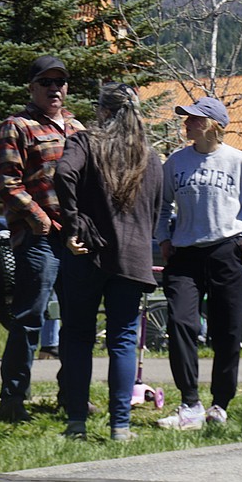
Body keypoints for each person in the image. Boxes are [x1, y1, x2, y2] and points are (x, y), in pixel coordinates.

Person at [154, 96, 242, 430]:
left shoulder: (238, 161)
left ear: (212, 125)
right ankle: (190, 404)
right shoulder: (175, 162)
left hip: (228, 253)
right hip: (184, 256)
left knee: (226, 331)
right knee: (181, 323)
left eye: (193, 119)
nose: (186, 123)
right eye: (186, 118)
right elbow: (162, 205)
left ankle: (219, 404)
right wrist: (164, 239)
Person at [54, 83, 163, 441]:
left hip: (88, 253)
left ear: (102, 111)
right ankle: (120, 427)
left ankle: (76, 424)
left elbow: (63, 174)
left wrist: (74, 224)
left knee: (78, 337)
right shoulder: (150, 156)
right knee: (123, 340)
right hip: (132, 258)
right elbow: (157, 210)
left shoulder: (85, 142)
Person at [0, 55, 85, 423]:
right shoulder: (17, 127)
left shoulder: (78, 128)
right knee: (30, 317)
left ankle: (72, 395)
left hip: (77, 239)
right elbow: (6, 182)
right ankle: (13, 399)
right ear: (32, 87)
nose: (54, 89)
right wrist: (39, 219)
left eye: (59, 82)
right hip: (40, 238)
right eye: (46, 82)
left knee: (78, 321)